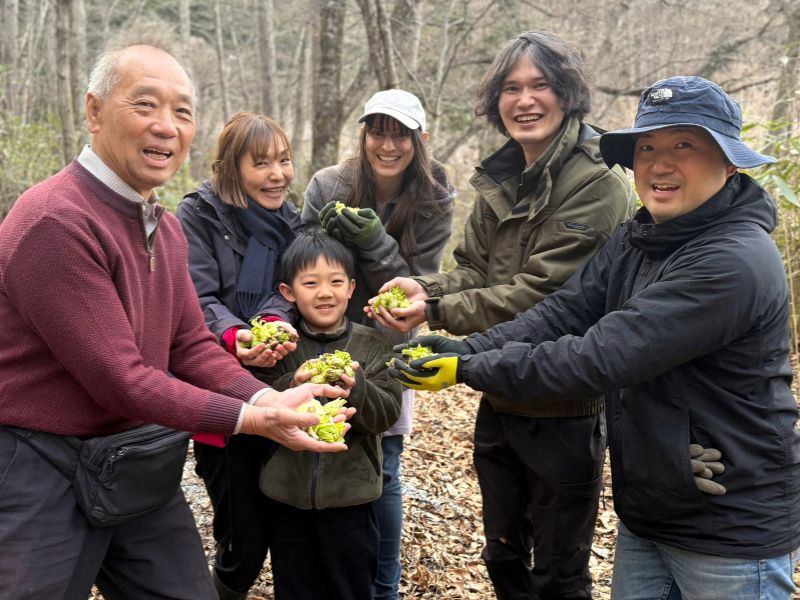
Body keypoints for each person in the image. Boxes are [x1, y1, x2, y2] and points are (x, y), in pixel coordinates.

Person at [391, 75, 800, 599]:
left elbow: (600, 356)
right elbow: (565, 310)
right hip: (654, 505)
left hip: (731, 524)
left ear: (729, 163)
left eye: (684, 145)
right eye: (647, 148)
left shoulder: (732, 260)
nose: (660, 164)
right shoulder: (641, 236)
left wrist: (469, 369)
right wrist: (466, 347)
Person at [0, 44, 351, 600]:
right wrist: (251, 419)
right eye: (145, 104)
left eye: (183, 111)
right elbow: (121, 380)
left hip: (134, 458)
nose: (167, 126)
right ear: (94, 112)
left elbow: (190, 343)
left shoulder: (163, 228)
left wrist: (265, 397)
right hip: (38, 464)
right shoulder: (56, 221)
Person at [368, 32, 632, 599]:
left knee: (558, 575)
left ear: (568, 93)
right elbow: (473, 270)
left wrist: (436, 309)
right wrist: (422, 288)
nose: (525, 100)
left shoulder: (597, 181)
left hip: (563, 405)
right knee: (503, 556)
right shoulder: (503, 175)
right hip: (500, 392)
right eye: (511, 88)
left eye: (541, 85)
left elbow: (544, 296)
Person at [302, 88, 455, 598]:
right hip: (329, 335)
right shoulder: (328, 184)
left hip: (389, 341)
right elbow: (305, 262)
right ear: (364, 134)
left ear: (420, 138)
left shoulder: (435, 196)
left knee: (386, 467)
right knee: (324, 452)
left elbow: (419, 285)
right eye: (377, 131)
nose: (388, 145)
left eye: (400, 134)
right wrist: (328, 242)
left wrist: (374, 241)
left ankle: (383, 588)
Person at [177, 112, 303, 600]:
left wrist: (273, 321)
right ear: (231, 168)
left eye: (284, 161)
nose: (278, 175)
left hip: (281, 385)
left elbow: (290, 286)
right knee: (242, 538)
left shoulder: (292, 221)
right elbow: (195, 295)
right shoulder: (198, 216)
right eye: (262, 163)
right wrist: (235, 336)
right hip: (220, 392)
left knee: (288, 527)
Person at [254, 229, 402, 599]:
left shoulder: (373, 344)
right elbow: (255, 400)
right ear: (288, 292)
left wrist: (357, 386)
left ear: (351, 288)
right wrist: (291, 384)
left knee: (350, 588)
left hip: (351, 500)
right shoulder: (281, 346)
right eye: (311, 283)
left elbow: (386, 415)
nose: (324, 293)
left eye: (335, 282)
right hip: (286, 497)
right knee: (295, 589)